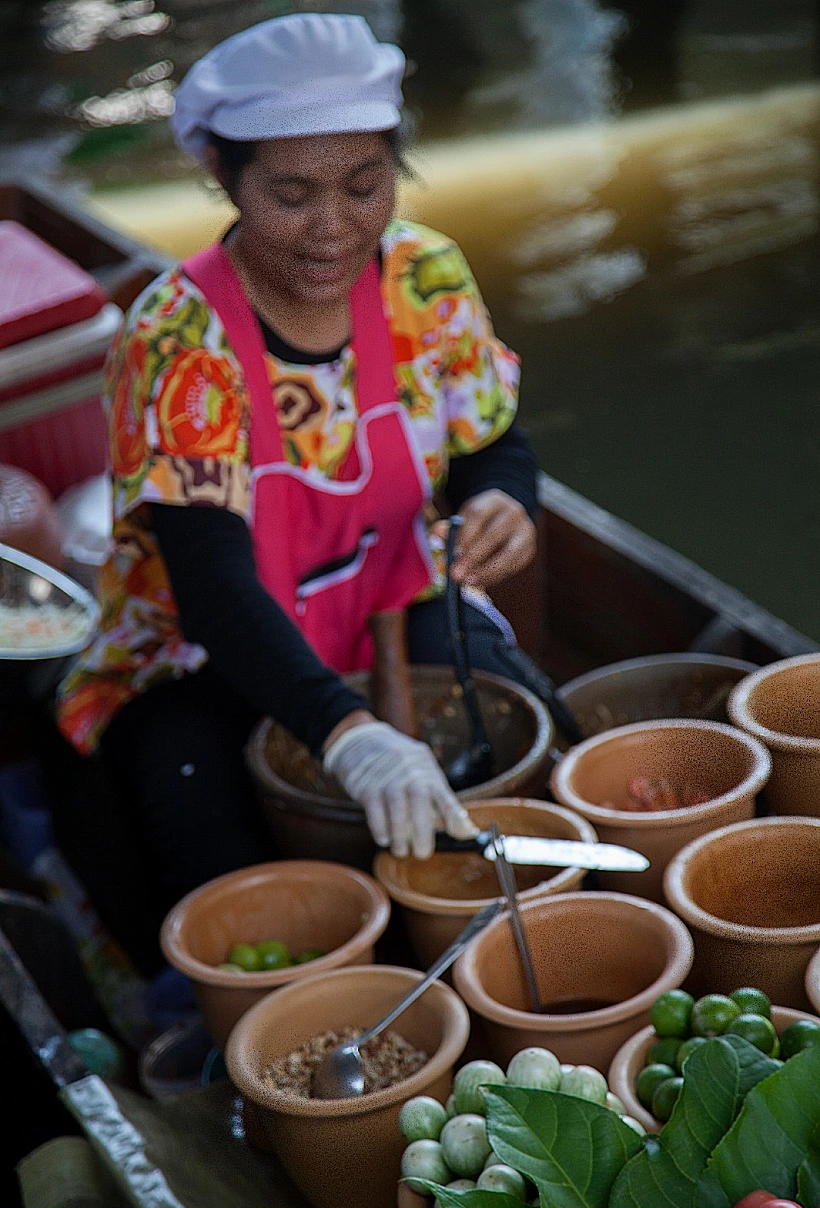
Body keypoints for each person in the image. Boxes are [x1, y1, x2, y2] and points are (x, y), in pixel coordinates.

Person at [52, 12, 541, 977]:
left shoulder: (426, 276)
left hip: (394, 595)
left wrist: (504, 502)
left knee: (509, 746)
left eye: (365, 186)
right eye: (290, 194)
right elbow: (212, 589)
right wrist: (352, 737)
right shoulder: (177, 341)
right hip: (201, 651)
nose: (334, 228)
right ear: (223, 177)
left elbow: (493, 443)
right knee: (225, 871)